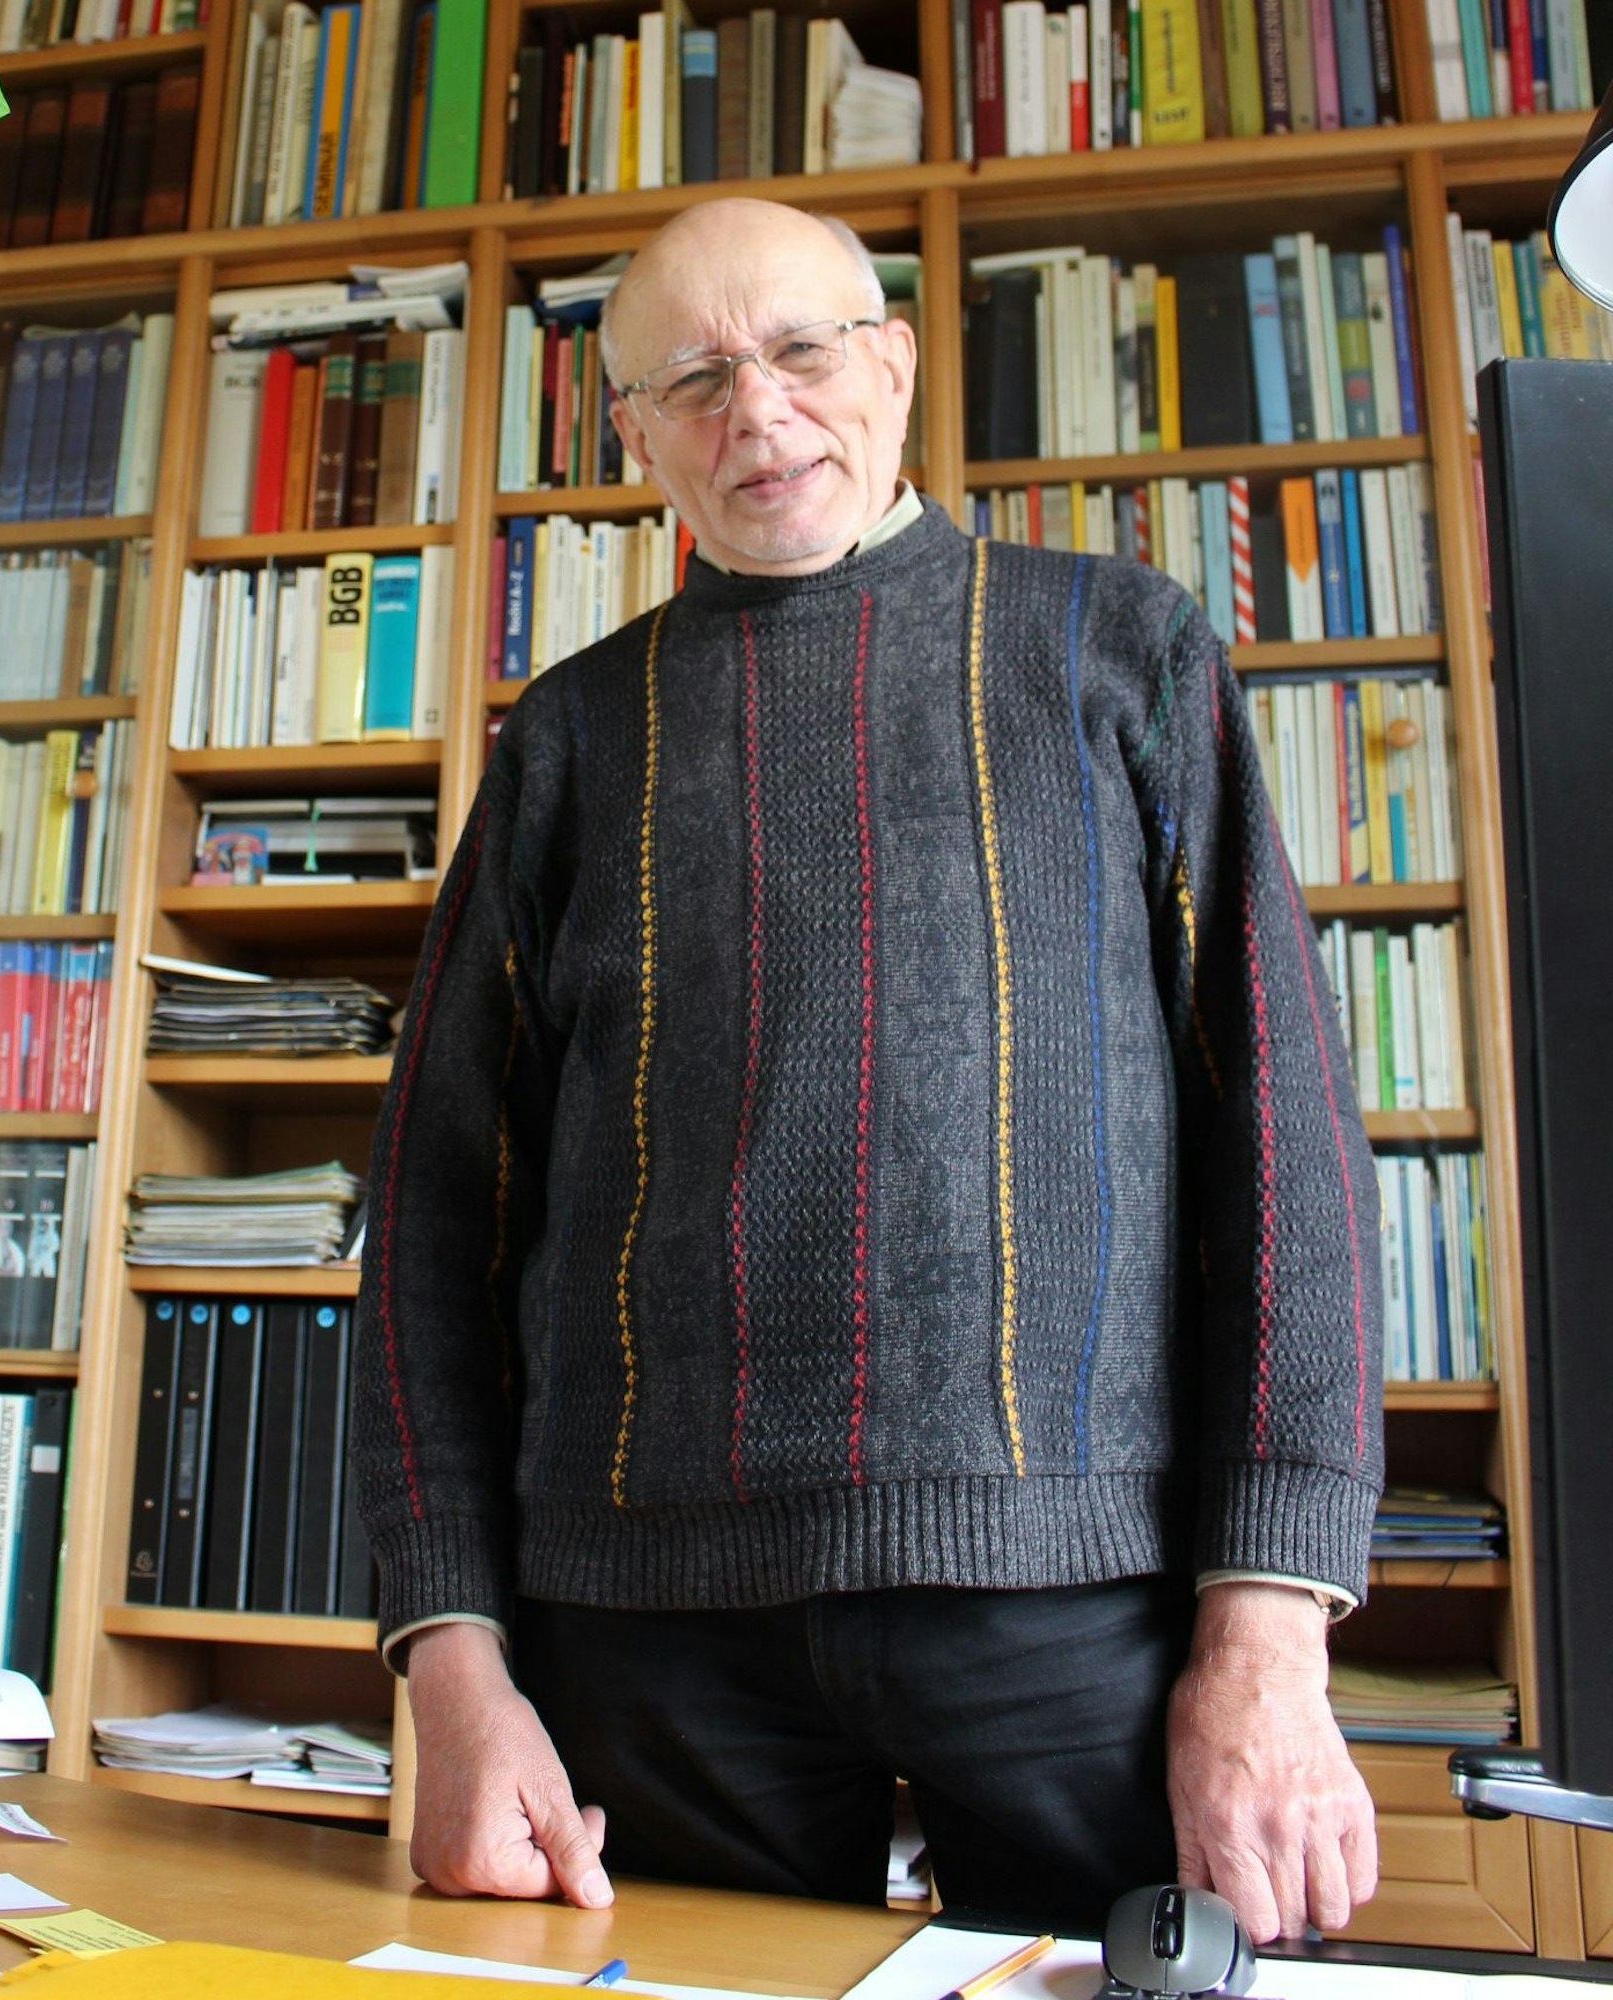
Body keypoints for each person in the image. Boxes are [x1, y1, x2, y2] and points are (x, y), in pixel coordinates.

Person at [350, 197, 1383, 1946]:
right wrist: (451, 1668)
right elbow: (437, 1235)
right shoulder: (571, 746)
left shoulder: (1120, 655)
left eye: (801, 349)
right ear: (634, 438)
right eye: (689, 381)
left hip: (1079, 1610)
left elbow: (1283, 1153)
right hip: (644, 1635)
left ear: (891, 364)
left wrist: (1269, 1643)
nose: (755, 412)